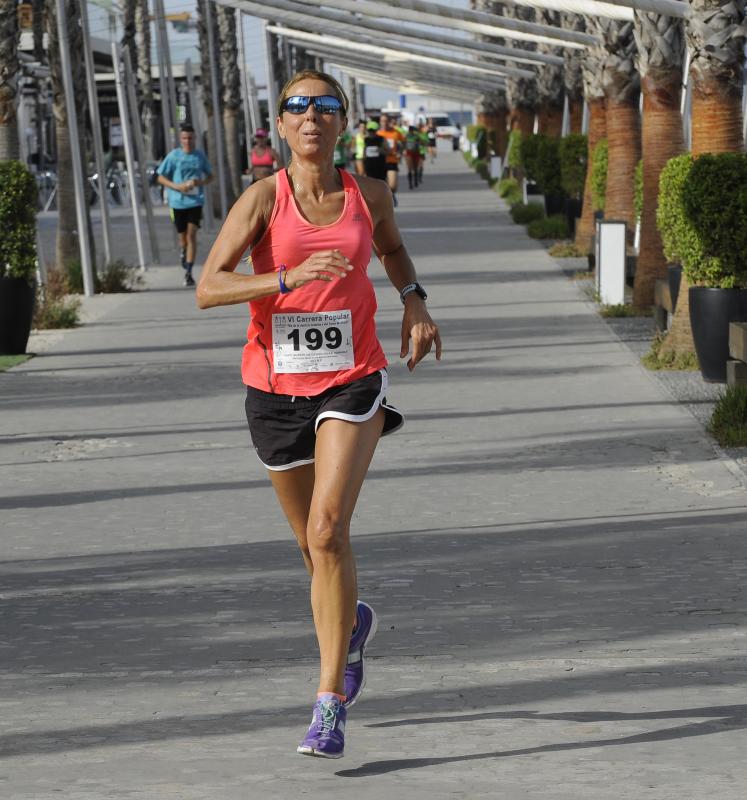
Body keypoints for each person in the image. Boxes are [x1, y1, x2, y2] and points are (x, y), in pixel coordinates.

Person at [196, 69, 441, 759]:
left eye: (324, 107)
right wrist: (282, 278)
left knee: (328, 532)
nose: (311, 117)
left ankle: (328, 703)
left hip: (351, 380)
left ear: (341, 124)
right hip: (273, 389)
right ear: (280, 125)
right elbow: (208, 288)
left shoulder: (368, 194)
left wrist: (413, 299)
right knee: (310, 550)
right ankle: (351, 623)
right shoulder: (261, 200)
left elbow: (390, 250)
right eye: (297, 107)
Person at [157, 123, 214, 287]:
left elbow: (211, 176)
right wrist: (177, 187)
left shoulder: (199, 156)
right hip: (177, 203)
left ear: (195, 138)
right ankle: (183, 251)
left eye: (190, 138)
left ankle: (188, 272)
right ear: (180, 139)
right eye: (184, 138)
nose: (187, 141)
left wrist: (199, 182)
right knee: (183, 239)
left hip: (195, 201)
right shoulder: (174, 156)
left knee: (191, 236)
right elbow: (160, 177)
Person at [377, 113, 406, 206]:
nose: (384, 123)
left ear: (389, 122)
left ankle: (392, 194)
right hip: (380, 162)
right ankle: (386, 200)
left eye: (386, 121)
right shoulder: (378, 133)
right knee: (382, 185)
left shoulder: (395, 132)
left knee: (392, 186)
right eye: (382, 121)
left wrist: (400, 152)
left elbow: (404, 142)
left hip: (392, 160)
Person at [404, 125, 422, 189]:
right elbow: (403, 143)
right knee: (410, 169)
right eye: (410, 130)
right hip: (410, 153)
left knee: (415, 168)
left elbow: (420, 142)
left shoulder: (416, 136)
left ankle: (415, 181)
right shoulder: (406, 136)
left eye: (411, 130)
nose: (411, 131)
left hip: (415, 153)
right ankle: (411, 183)